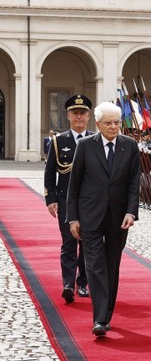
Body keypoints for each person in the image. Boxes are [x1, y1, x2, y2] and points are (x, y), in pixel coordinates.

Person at [66, 101, 140, 336]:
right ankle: (99, 319)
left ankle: (106, 314)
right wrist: (73, 217)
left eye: (117, 123)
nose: (113, 127)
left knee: (112, 265)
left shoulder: (130, 146)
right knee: (95, 266)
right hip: (90, 216)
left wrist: (131, 212)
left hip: (119, 218)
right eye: (108, 123)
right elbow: (74, 184)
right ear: (97, 124)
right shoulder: (86, 146)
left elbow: (134, 185)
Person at [44, 94, 93, 303]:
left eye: (83, 113)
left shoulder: (95, 141)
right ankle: (67, 283)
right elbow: (50, 173)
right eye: (75, 113)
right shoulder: (58, 141)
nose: (79, 117)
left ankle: (82, 282)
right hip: (65, 200)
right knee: (69, 242)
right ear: (69, 116)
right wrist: (50, 199)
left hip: (90, 201)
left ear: (88, 116)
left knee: (88, 243)